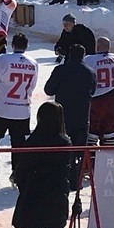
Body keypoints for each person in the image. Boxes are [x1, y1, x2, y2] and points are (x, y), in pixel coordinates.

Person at [13, 101, 71, 228]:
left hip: (32, 199)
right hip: (55, 200)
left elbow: (20, 173)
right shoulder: (64, 143)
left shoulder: (32, 141)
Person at [0, 33, 37, 186]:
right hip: (22, 110)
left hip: (1, 108)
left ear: (12, 45)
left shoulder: (2, 59)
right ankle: (17, 173)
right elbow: (32, 86)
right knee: (19, 144)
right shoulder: (33, 63)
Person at [43, 44, 96, 188]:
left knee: (60, 149)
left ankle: (60, 179)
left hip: (62, 117)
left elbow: (49, 90)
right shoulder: (90, 72)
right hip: (82, 117)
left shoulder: (60, 70)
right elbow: (93, 91)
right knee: (78, 152)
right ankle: (75, 180)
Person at [84, 37, 114, 147]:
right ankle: (110, 160)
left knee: (91, 133)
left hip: (96, 102)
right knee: (111, 133)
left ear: (97, 47)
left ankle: (90, 160)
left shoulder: (89, 59)